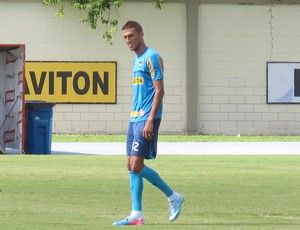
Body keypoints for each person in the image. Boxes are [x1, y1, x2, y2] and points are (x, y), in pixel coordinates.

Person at [112, 20, 184, 226]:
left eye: (131, 36)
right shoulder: (136, 60)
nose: (128, 40)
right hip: (135, 118)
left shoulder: (152, 57)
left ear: (141, 35)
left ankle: (173, 196)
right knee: (130, 165)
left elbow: (160, 90)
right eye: (125, 37)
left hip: (147, 118)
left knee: (136, 165)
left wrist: (151, 119)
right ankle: (136, 215)